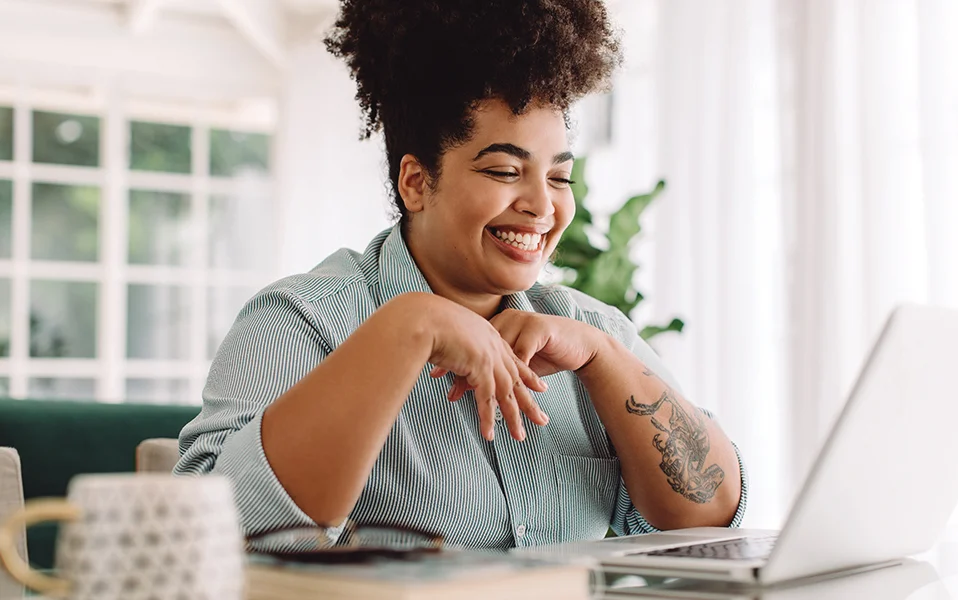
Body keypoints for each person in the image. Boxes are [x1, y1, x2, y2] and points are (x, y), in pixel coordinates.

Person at [175, 0, 747, 550]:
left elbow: (712, 520)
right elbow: (207, 537)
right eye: (504, 170)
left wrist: (605, 361)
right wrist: (408, 327)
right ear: (417, 183)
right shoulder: (300, 323)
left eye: (558, 178)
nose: (541, 207)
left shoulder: (589, 332)